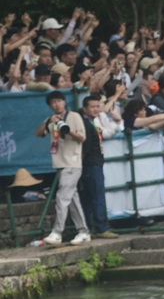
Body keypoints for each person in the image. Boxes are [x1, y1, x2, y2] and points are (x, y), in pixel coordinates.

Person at [34, 91, 90, 245]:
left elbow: (82, 137)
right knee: (72, 200)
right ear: (50, 105)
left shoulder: (74, 116)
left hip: (72, 163)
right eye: (53, 102)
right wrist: (49, 122)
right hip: (60, 163)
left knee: (62, 198)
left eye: (59, 100)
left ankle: (57, 232)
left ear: (64, 102)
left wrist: (66, 129)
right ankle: (83, 232)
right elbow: (38, 133)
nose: (56, 104)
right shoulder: (51, 119)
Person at [78, 94, 118, 239]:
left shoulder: (91, 122)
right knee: (97, 197)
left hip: (91, 164)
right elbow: (85, 148)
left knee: (88, 199)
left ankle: (88, 228)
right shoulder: (87, 124)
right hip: (91, 164)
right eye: (92, 107)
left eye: (97, 106)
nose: (96, 109)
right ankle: (100, 228)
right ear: (85, 109)